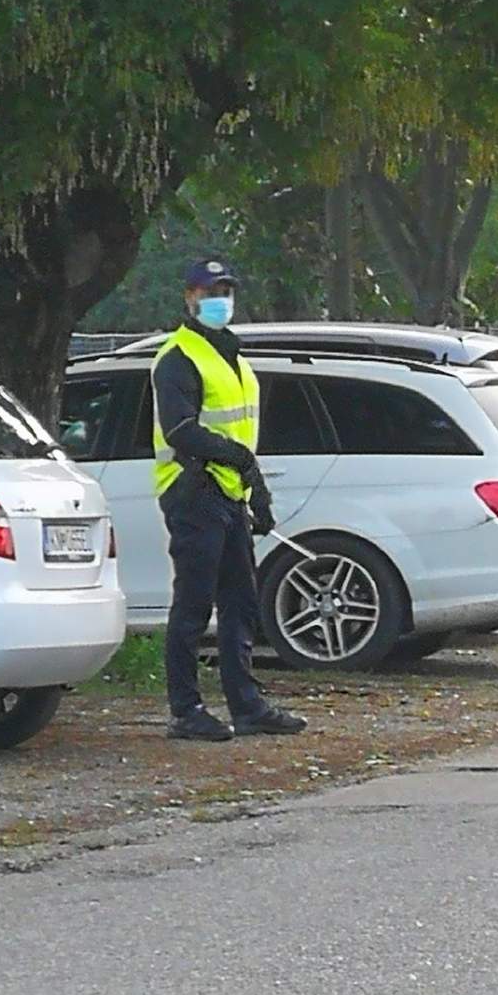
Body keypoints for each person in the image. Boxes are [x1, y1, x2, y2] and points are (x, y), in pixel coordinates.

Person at [152, 257, 307, 741]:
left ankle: (247, 705)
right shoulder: (178, 356)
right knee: (194, 606)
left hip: (229, 492)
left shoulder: (232, 357)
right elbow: (181, 431)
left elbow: (237, 430)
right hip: (193, 491)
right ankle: (186, 709)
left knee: (241, 603)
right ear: (190, 297)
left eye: (225, 289)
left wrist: (251, 483)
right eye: (210, 290)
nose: (220, 299)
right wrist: (241, 462)